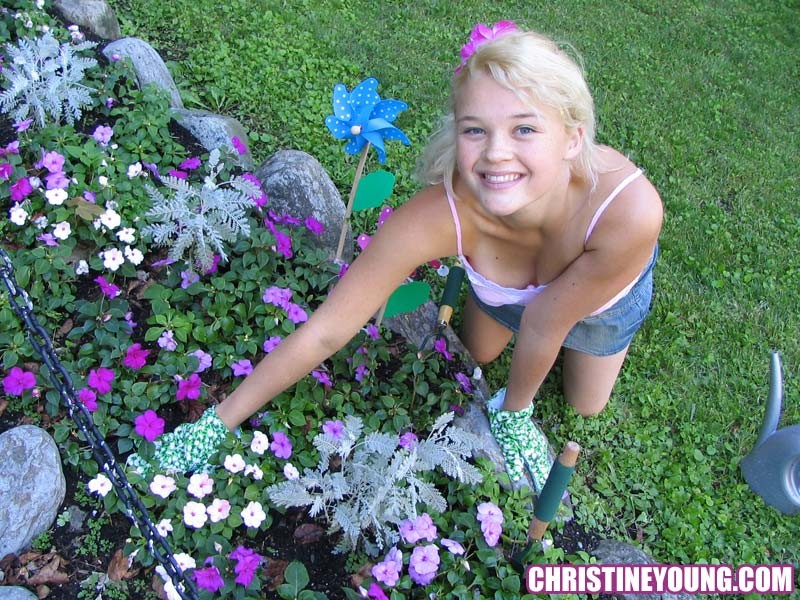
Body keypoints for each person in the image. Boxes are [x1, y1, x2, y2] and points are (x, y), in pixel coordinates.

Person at [129, 21, 663, 491]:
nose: (496, 152)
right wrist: (216, 423)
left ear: (571, 139)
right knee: (477, 353)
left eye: (525, 128)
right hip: (510, 294)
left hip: (599, 303)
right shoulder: (441, 216)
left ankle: (580, 362)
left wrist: (515, 411)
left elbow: (547, 319)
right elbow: (326, 329)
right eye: (476, 129)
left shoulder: (628, 212)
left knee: (583, 404)